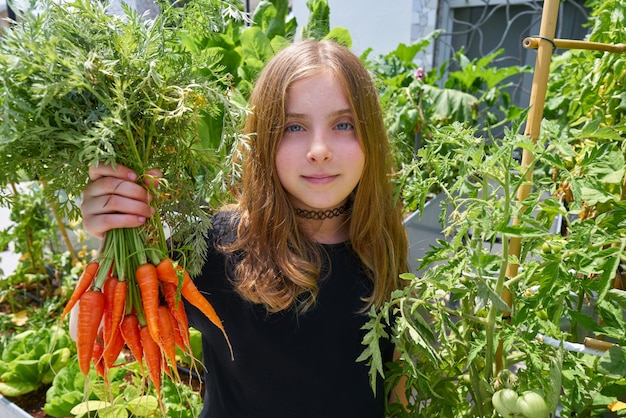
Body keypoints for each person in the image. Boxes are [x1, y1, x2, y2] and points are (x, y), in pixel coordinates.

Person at [80, 39, 409, 417]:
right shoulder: (217, 244)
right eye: (294, 126)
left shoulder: (383, 241)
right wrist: (112, 235)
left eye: (344, 123)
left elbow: (393, 377)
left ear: (372, 138)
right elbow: (95, 333)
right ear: (262, 139)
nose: (320, 149)